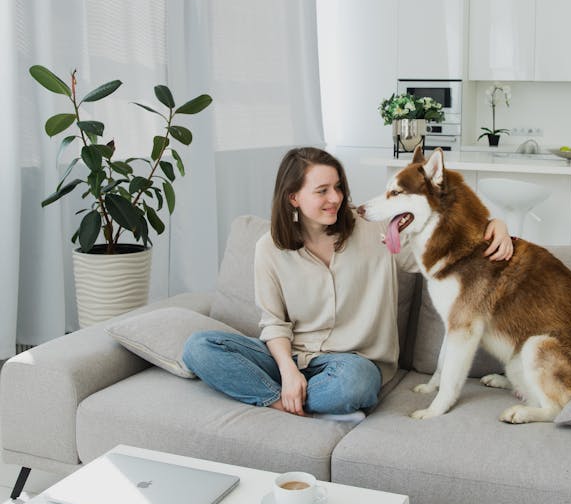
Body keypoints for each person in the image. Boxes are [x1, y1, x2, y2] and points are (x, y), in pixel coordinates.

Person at [183, 147, 513, 421]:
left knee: (355, 384)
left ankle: (289, 398)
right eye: (322, 191)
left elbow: (443, 254)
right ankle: (282, 401)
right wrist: (288, 372)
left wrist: (494, 225)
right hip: (292, 358)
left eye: (338, 187)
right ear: (293, 197)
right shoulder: (268, 248)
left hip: (352, 366)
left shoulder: (375, 230)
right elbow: (273, 324)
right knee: (199, 347)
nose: (336, 198)